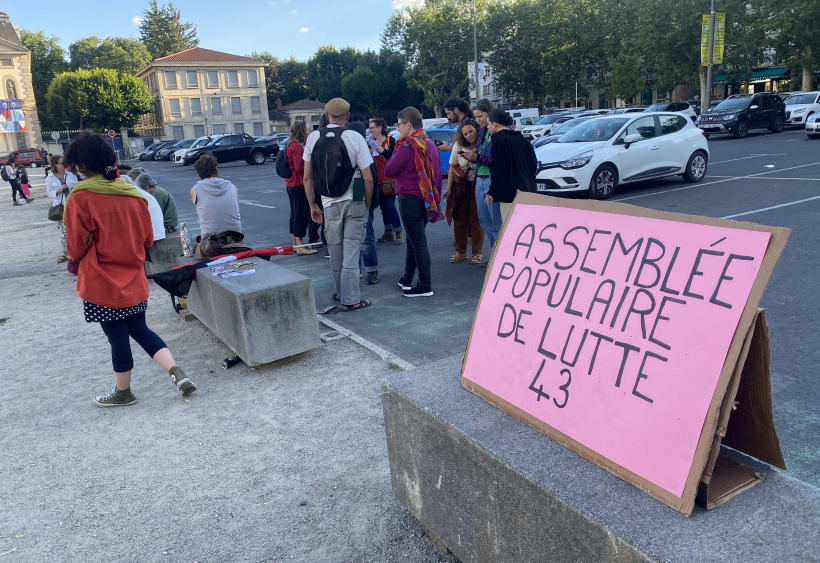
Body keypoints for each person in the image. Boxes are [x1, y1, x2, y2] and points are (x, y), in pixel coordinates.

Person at [62, 132, 195, 406]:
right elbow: (147, 239)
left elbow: (75, 248)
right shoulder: (135, 195)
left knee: (117, 336)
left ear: (83, 165)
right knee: (140, 328)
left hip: (101, 281)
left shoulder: (81, 198)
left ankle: (123, 392)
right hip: (134, 278)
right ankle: (176, 371)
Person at [303, 97, 374, 312]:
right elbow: (367, 177)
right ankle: (351, 300)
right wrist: (367, 204)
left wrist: (313, 206)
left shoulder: (313, 137)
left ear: (326, 116)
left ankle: (340, 292)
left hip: (328, 202)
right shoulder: (355, 137)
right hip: (355, 196)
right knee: (352, 250)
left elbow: (307, 178)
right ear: (348, 116)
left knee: (335, 250)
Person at [384, 106, 443, 298]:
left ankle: (425, 285)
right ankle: (407, 279)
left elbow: (388, 170)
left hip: (409, 198)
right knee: (413, 241)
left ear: (408, 125)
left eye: (399, 124)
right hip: (426, 199)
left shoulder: (408, 146)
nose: (398, 129)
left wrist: (394, 149)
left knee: (417, 243)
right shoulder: (429, 144)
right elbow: (437, 178)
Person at [461, 98, 501, 260]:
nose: (478, 120)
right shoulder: (483, 132)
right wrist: (472, 157)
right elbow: (479, 152)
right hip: (480, 178)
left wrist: (476, 157)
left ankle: (498, 257)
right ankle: (494, 254)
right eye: (476, 117)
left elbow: (494, 158)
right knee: (484, 221)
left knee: (496, 222)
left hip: (491, 178)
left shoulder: (496, 132)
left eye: (480, 116)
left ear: (489, 113)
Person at [484, 108, 538, 221]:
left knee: (511, 229)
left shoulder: (498, 140)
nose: (487, 127)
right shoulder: (522, 139)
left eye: (488, 124)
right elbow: (533, 163)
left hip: (510, 195)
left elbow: (500, 169)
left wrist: (493, 191)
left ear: (494, 124)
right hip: (528, 190)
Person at [442, 119, 484, 265]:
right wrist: (448, 188)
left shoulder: (482, 144)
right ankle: (461, 252)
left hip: (477, 185)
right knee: (459, 221)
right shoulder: (458, 145)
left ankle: (477, 253)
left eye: (471, 131)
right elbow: (452, 167)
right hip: (461, 186)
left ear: (477, 130)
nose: (469, 135)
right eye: (465, 133)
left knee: (476, 221)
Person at [349, 120, 379, 285]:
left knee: (364, 235)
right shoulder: (362, 148)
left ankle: (370, 270)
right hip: (357, 188)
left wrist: (367, 202)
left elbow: (369, 178)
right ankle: (364, 269)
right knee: (359, 235)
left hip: (358, 187)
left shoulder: (362, 150)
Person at [190, 153, 242, 240]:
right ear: (216, 170)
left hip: (211, 241)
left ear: (198, 174)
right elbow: (232, 208)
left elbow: (202, 210)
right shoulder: (232, 186)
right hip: (236, 238)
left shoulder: (195, 190)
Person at [369, 117, 403, 245]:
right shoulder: (371, 143)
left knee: (389, 207)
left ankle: (398, 232)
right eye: (370, 127)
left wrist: (383, 151)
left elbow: (396, 158)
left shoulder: (390, 141)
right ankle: (388, 231)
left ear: (380, 128)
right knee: (383, 208)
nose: (370, 130)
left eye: (372, 127)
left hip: (389, 180)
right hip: (376, 181)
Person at [284, 120, 316, 255]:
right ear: (302, 131)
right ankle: (300, 244)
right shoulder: (297, 147)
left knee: (294, 213)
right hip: (298, 184)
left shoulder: (289, 143)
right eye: (308, 129)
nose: (310, 132)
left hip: (290, 183)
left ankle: (295, 242)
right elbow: (299, 167)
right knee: (301, 214)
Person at [46, 155, 78, 262]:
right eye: (61, 163)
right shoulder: (50, 178)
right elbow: (50, 193)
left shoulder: (71, 175)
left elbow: (77, 187)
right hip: (61, 206)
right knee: (64, 231)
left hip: (73, 205)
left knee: (75, 229)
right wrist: (59, 190)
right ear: (55, 164)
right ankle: (65, 253)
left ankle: (76, 251)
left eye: (65, 163)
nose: (64, 165)